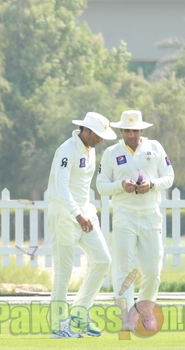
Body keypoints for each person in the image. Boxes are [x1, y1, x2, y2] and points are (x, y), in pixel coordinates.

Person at [97, 110, 174, 331]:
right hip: (124, 215)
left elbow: (169, 177)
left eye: (135, 130)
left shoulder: (155, 148)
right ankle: (127, 318)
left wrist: (152, 184)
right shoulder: (111, 152)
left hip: (150, 214)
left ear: (141, 130)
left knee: (152, 269)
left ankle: (145, 310)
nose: (131, 134)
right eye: (127, 130)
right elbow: (101, 185)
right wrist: (121, 186)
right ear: (121, 130)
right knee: (125, 269)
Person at [46, 112, 115, 338]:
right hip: (64, 215)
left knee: (103, 260)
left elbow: (81, 187)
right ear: (86, 130)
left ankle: (79, 313)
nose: (101, 140)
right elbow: (61, 187)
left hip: (85, 212)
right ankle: (58, 326)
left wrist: (84, 213)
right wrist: (77, 215)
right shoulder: (67, 150)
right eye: (98, 135)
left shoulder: (90, 149)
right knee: (63, 273)